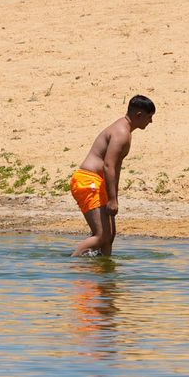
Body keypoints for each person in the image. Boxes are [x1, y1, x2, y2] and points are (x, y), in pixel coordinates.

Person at [70, 95, 156, 257]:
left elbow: (114, 167)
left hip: (98, 182)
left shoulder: (124, 130)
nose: (150, 122)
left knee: (109, 236)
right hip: (88, 181)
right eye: (149, 117)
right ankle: (72, 265)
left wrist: (113, 196)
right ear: (139, 115)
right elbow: (108, 165)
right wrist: (112, 200)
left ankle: (104, 276)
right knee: (102, 235)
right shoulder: (121, 133)